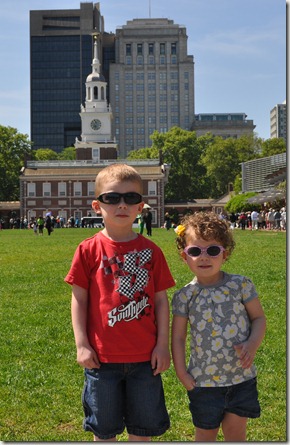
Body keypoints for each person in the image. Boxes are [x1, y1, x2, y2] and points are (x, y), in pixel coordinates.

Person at [65, 163, 175, 442]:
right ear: (96, 205)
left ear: (141, 207)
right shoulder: (88, 249)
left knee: (143, 431)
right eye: (112, 198)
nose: (121, 204)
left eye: (131, 198)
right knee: (104, 432)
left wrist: (163, 344)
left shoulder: (152, 251)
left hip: (144, 359)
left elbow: (161, 301)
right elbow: (79, 299)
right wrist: (81, 344)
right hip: (102, 361)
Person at [171, 211, 266, 442]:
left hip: (240, 379)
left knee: (236, 436)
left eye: (212, 250)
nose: (204, 257)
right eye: (195, 251)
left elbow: (259, 319)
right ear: (185, 256)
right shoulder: (185, 296)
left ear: (225, 253)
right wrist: (182, 372)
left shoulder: (240, 285)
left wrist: (252, 343)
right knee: (205, 436)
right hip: (203, 383)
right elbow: (179, 338)